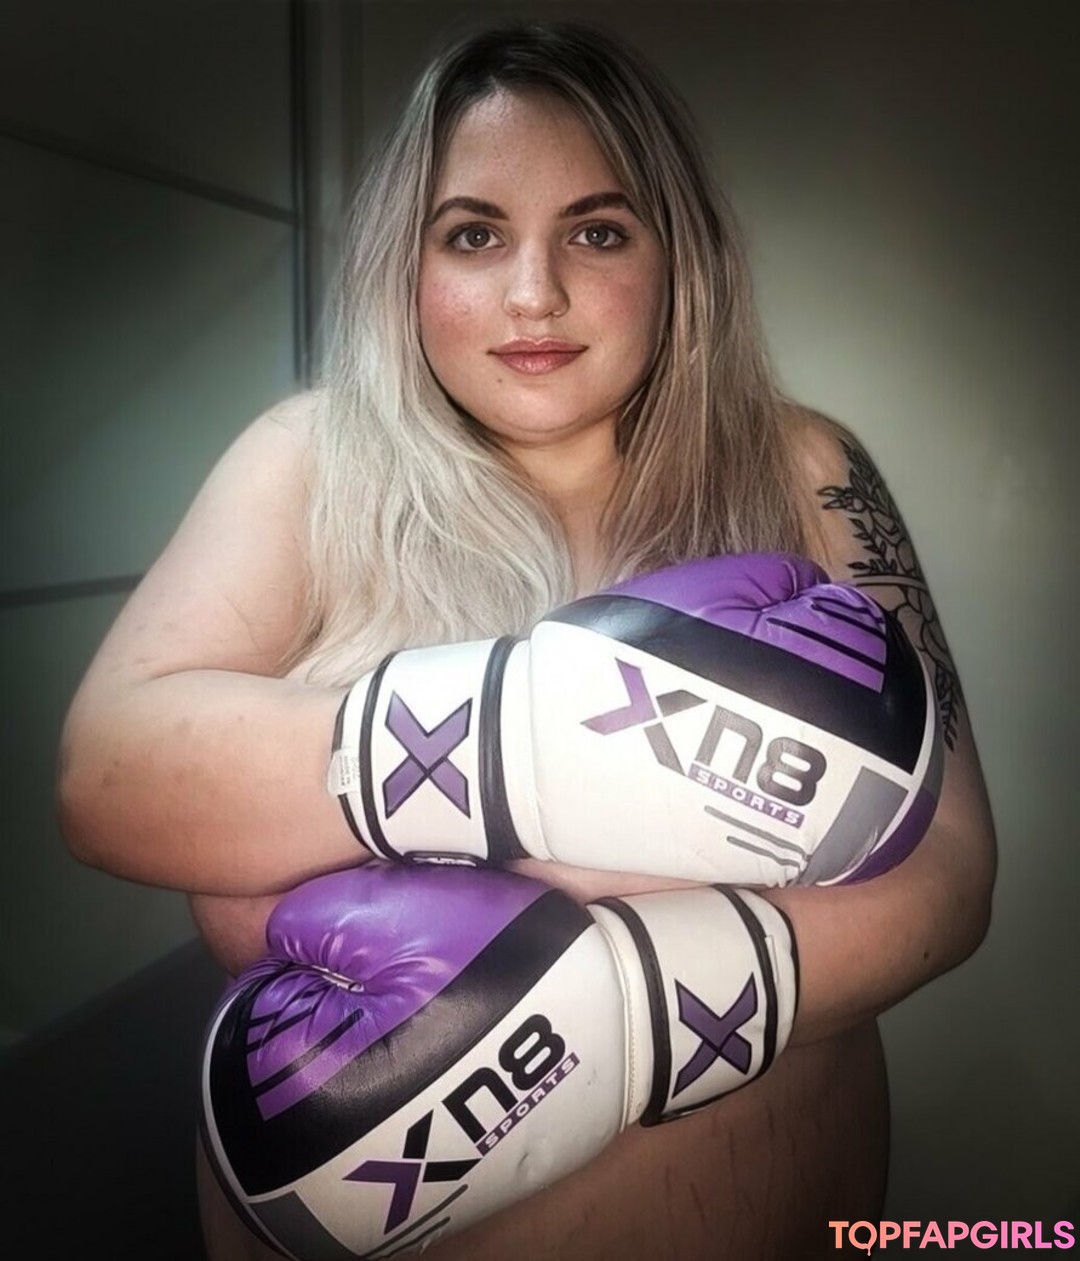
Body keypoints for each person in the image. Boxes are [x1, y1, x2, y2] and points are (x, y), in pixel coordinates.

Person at [57, 21, 995, 1261]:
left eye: (597, 232)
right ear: (406, 261)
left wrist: (615, 1010)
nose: (534, 293)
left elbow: (951, 871)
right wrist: (541, 753)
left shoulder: (803, 465)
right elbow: (109, 775)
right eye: (473, 234)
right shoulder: (311, 462)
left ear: (678, 255)